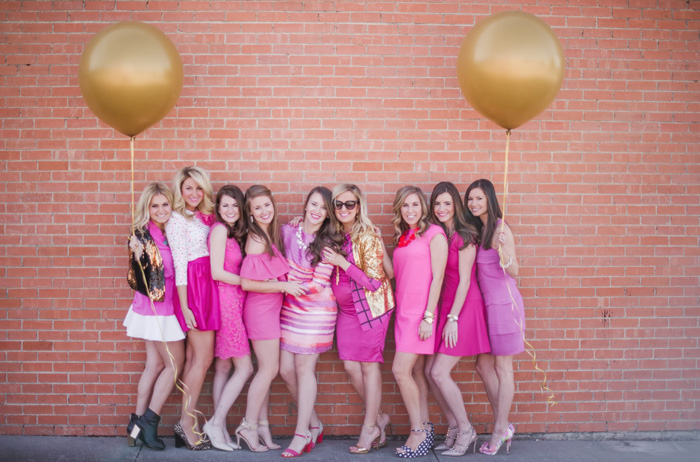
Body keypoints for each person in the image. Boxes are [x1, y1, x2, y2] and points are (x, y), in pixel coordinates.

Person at [322, 184, 395, 454]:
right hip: (347, 312)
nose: (343, 209)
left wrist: (343, 264)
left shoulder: (366, 235)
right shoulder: (333, 234)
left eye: (349, 204)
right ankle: (379, 419)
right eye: (338, 204)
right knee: (351, 367)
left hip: (372, 309)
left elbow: (376, 283)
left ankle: (369, 428)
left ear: (359, 206)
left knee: (368, 367)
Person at [236, 185, 307, 453]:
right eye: (257, 208)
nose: (264, 211)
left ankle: (261, 427)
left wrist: (297, 222)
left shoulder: (268, 234)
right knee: (268, 370)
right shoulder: (256, 239)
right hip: (260, 311)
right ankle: (247, 426)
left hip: (269, 312)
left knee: (267, 371)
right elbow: (246, 283)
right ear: (250, 213)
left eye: (267, 205)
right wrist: (283, 287)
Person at [424, 181, 490, 456]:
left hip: (464, 308)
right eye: (437, 203)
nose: (441, 208)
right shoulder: (437, 233)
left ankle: (466, 429)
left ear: (456, 206)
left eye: (447, 203)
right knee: (429, 373)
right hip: (446, 306)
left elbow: (465, 281)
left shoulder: (465, 235)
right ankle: (453, 427)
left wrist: (453, 318)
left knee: (439, 372)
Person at [278, 186, 344, 458]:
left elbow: (319, 283)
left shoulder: (329, 242)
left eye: (323, 208)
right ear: (305, 206)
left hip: (316, 308)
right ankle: (314, 423)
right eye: (313, 205)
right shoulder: (286, 231)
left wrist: (287, 284)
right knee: (285, 369)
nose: (317, 211)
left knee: (304, 369)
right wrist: (285, 286)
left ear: (329, 214)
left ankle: (301, 433)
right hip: (289, 305)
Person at [465, 179, 526, 456]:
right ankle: (503, 423)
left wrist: (504, 252)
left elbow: (515, 272)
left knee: (503, 368)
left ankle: (500, 428)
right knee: (482, 366)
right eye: (470, 200)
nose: (474, 204)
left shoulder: (501, 228)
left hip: (505, 305)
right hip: (488, 308)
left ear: (489, 198)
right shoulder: (481, 229)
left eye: (479, 198)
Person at [124, 182, 185, 450]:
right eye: (154, 205)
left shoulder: (168, 231)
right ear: (146, 208)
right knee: (174, 364)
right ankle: (150, 421)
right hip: (158, 309)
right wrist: (138, 256)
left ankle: (135, 424)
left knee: (154, 365)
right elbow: (140, 277)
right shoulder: (142, 236)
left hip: (160, 308)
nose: (161, 210)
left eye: (165, 204)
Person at [390, 186, 448, 458]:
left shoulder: (434, 234)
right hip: (402, 313)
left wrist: (429, 316)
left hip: (420, 315)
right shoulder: (404, 237)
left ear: (423, 207)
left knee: (400, 370)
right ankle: (425, 425)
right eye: (405, 206)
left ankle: (418, 432)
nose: (410, 210)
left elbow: (438, 278)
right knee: (414, 373)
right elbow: (395, 274)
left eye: (415, 205)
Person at [166, 166, 219, 450]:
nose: (195, 193)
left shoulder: (202, 216)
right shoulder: (177, 220)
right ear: (180, 190)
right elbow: (180, 263)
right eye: (189, 188)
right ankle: (187, 424)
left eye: (199, 188)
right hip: (194, 289)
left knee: (192, 359)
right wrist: (186, 306)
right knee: (204, 359)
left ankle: (183, 421)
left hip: (207, 284)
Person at [202, 185, 253, 451]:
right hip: (227, 301)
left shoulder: (236, 233)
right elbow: (216, 272)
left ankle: (218, 429)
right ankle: (215, 422)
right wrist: (251, 282)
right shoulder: (220, 230)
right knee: (245, 368)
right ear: (218, 209)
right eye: (225, 206)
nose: (231, 210)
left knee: (223, 367)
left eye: (235, 205)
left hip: (234, 300)